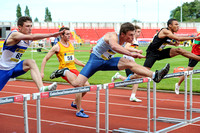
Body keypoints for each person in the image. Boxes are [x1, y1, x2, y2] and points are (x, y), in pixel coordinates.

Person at [50, 22, 170, 93]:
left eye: (134, 35)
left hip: (107, 61)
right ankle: (64, 71)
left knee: (130, 63)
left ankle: (155, 75)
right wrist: (131, 53)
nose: (133, 38)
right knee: (77, 84)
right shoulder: (113, 36)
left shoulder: (123, 41)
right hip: (95, 60)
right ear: (123, 34)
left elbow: (118, 47)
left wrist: (135, 53)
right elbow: (114, 46)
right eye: (131, 35)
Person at [125, 18, 200, 93]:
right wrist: (195, 37)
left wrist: (173, 44)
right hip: (152, 53)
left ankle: (198, 58)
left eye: (178, 24)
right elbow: (178, 38)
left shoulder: (170, 33)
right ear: (170, 25)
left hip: (160, 52)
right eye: (176, 24)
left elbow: (165, 41)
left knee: (179, 50)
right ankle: (132, 76)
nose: (178, 26)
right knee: (144, 73)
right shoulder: (165, 31)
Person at [0, 16, 65, 92]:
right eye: (27, 26)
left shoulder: (28, 38)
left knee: (31, 62)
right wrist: (51, 35)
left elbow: (32, 37)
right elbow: (32, 37)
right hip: (3, 69)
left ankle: (42, 88)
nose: (30, 28)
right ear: (19, 27)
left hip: (15, 67)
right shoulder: (14, 35)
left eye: (31, 26)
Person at [41, 27, 89, 118]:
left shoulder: (71, 44)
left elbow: (73, 59)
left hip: (73, 69)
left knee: (87, 85)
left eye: (69, 34)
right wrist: (42, 73)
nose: (69, 36)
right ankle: (79, 110)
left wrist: (83, 65)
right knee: (78, 85)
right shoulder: (57, 46)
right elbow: (45, 59)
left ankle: (75, 103)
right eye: (66, 34)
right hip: (65, 70)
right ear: (61, 35)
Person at [111, 25, 143, 102]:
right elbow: (126, 48)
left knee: (133, 79)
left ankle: (118, 76)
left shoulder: (136, 40)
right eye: (137, 31)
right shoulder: (132, 40)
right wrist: (137, 51)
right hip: (127, 61)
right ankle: (132, 96)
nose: (139, 33)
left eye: (140, 32)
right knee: (137, 77)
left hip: (131, 60)